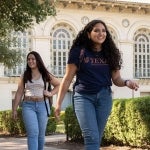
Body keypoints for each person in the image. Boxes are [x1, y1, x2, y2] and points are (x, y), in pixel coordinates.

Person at [55, 19, 139, 150]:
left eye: (104, 31)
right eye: (96, 30)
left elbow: (116, 79)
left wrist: (127, 82)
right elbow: (67, 78)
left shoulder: (111, 53)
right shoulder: (79, 51)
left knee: (96, 138)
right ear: (88, 34)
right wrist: (59, 103)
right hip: (83, 97)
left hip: (104, 97)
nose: (101, 33)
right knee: (92, 138)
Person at [12, 51, 60, 150]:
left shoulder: (45, 74)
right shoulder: (25, 75)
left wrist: (50, 93)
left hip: (43, 105)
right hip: (28, 105)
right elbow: (19, 92)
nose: (30, 61)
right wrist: (14, 109)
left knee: (41, 135)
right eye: (28, 59)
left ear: (37, 60)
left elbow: (58, 85)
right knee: (33, 133)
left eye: (33, 59)